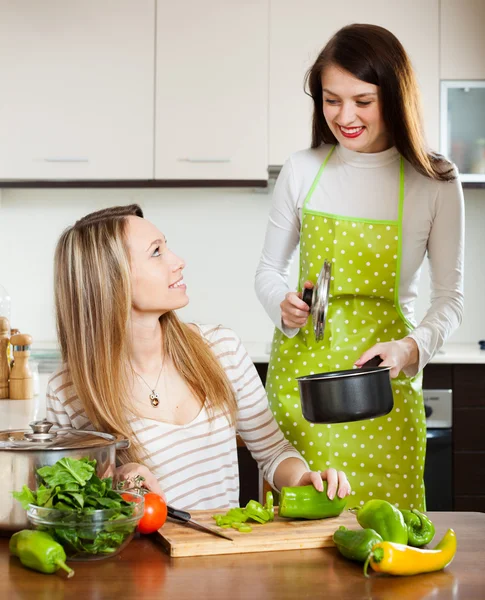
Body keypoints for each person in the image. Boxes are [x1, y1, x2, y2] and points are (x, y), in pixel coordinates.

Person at [255, 24, 464, 510]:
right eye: (331, 100)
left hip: (383, 394)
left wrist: (409, 348)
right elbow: (268, 271)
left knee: (389, 551)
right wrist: (281, 305)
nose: (344, 116)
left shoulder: (434, 182)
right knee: (300, 560)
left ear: (394, 95)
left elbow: (450, 299)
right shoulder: (303, 169)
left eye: (362, 101)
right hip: (304, 395)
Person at [45, 204, 350, 510]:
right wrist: (115, 482)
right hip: (140, 557)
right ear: (111, 278)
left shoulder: (221, 348)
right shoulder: (69, 392)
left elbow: (273, 452)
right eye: (156, 252)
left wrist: (302, 479)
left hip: (220, 553)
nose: (178, 262)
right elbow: (66, 504)